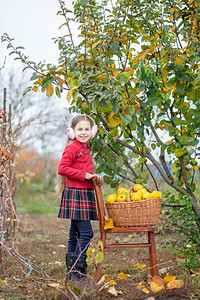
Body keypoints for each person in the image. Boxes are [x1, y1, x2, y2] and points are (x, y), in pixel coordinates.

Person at [56, 114, 101, 281]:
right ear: (72, 131)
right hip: (76, 194)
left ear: (92, 131)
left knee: (74, 233)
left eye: (87, 129)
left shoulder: (85, 148)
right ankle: (79, 272)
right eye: (80, 129)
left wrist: (93, 177)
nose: (83, 132)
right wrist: (85, 175)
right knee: (86, 233)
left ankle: (72, 274)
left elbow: (85, 172)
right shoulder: (73, 147)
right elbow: (62, 168)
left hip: (83, 194)